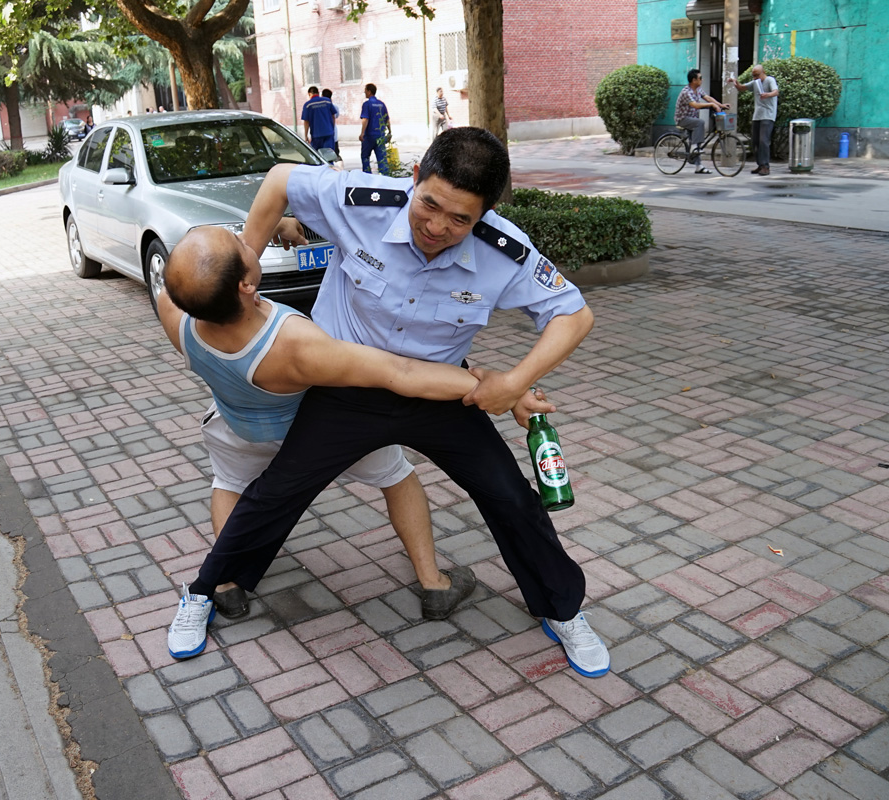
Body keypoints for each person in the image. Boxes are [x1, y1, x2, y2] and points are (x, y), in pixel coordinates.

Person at [177, 127, 611, 679]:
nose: (436, 227)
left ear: (486, 213)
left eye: (460, 219)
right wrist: (248, 268)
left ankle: (563, 609)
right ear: (414, 178)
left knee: (510, 496)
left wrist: (514, 382)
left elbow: (574, 314)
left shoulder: (504, 251)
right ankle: (201, 592)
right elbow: (281, 180)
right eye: (429, 204)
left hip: (437, 392)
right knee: (277, 492)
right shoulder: (362, 202)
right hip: (346, 390)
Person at [160, 225, 550, 657]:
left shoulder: (174, 312)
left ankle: (224, 586)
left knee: (231, 485)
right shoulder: (296, 344)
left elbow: (208, 286)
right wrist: (500, 386)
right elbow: (401, 373)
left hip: (237, 426)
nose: (246, 236)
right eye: (239, 242)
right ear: (246, 285)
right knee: (396, 475)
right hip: (316, 431)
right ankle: (433, 582)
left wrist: (280, 227)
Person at [674, 69, 728, 175]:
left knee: (697, 141)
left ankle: (698, 166)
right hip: (682, 119)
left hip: (692, 118)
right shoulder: (686, 92)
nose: (702, 80)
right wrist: (711, 105)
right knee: (700, 123)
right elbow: (695, 105)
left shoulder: (698, 89)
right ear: (694, 80)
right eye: (700, 78)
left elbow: (708, 98)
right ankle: (694, 148)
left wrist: (720, 105)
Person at [732, 65, 780, 176]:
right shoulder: (755, 82)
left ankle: (765, 166)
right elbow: (742, 88)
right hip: (757, 116)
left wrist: (767, 94)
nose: (755, 78)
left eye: (757, 75)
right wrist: (735, 82)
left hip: (768, 115)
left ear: (763, 72)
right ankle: (760, 165)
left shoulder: (770, 80)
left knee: (763, 141)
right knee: (755, 142)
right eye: (753, 75)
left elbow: (776, 92)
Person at [359, 83, 391, 176]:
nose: (364, 92)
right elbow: (387, 119)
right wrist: (389, 132)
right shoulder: (381, 104)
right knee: (382, 159)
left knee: (365, 157)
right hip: (380, 135)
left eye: (365, 90)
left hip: (369, 136)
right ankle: (385, 177)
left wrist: (362, 133)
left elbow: (365, 119)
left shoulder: (366, 104)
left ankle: (367, 177)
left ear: (369, 91)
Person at [301, 86, 337, 152]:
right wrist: (332, 129)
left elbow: (306, 122)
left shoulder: (308, 105)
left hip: (316, 135)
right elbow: (333, 116)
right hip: (329, 133)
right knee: (329, 154)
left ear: (309, 94)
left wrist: (306, 136)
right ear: (318, 92)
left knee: (317, 155)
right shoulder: (327, 101)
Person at [321, 88, 341, 158]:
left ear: (322, 96)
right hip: (333, 133)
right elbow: (336, 116)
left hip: (323, 134)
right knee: (334, 155)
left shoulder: (321, 107)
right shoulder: (335, 107)